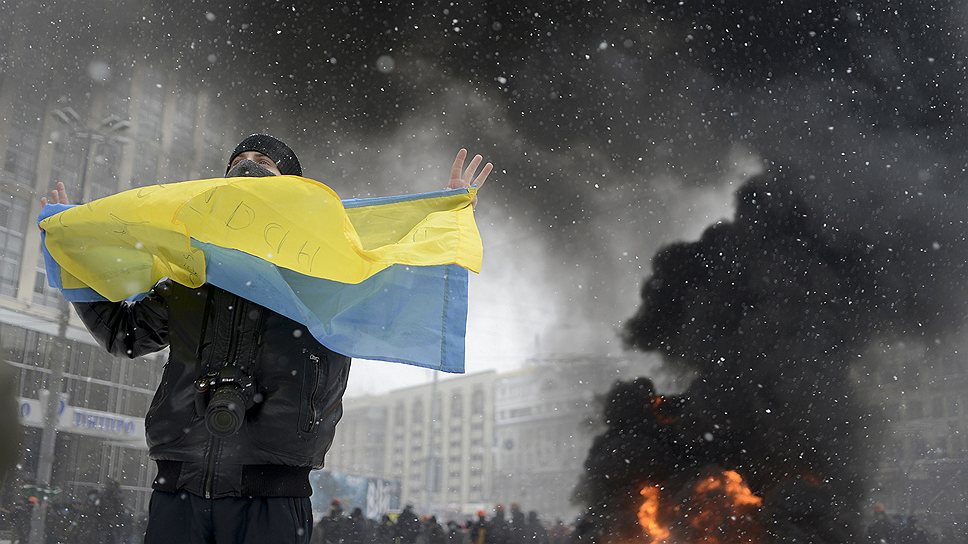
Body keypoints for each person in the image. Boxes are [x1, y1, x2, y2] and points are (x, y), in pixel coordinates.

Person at [40, 134, 493, 544]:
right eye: (239, 160)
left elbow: (399, 281)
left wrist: (444, 215)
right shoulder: (191, 273)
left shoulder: (327, 272)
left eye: (263, 161)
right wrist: (72, 252)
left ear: (292, 187)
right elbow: (126, 333)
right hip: (179, 488)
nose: (248, 167)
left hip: (272, 496)